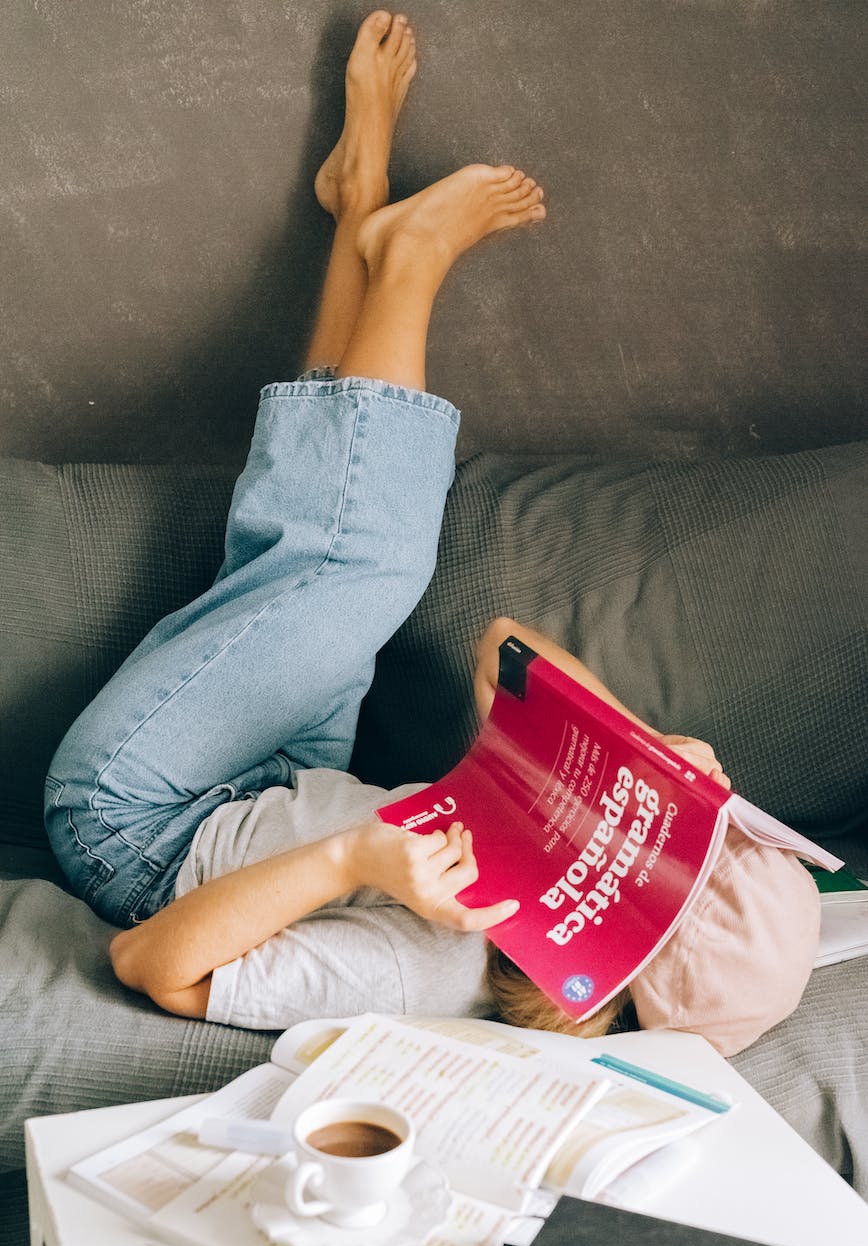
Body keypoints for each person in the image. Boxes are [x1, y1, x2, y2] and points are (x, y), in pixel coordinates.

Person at [44, 12, 820, 1059]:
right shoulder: (547, 856)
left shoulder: (433, 965)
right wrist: (640, 767)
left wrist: (354, 864)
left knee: (362, 566)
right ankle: (355, 213)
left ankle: (406, 255)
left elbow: (153, 967)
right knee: (309, 556)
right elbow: (503, 649)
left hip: (142, 821)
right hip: (275, 778)